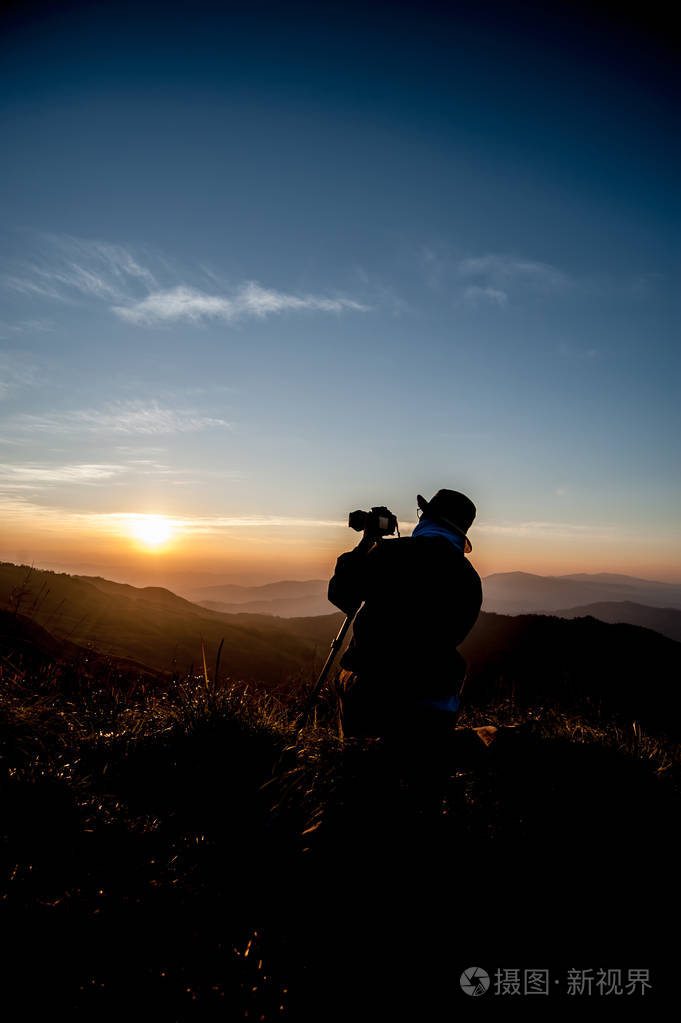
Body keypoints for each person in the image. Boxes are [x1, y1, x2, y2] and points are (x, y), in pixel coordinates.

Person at [328, 488, 482, 739]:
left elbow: (342, 593)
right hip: (437, 696)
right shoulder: (470, 578)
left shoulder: (392, 553)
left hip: (374, 689)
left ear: (427, 518)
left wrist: (367, 541)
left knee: (361, 769)